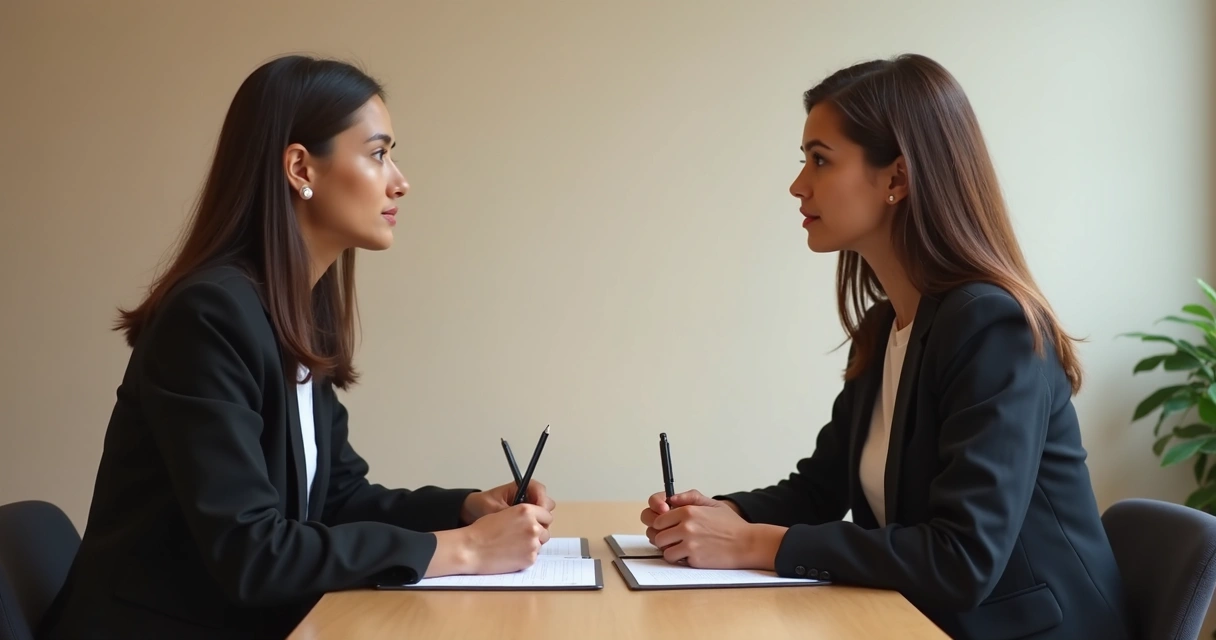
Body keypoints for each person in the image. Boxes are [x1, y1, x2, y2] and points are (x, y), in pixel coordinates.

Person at [39, 55, 556, 640]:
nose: (400, 181)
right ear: (299, 167)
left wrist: (463, 510)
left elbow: (335, 497)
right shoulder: (208, 317)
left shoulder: (293, 310)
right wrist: (459, 551)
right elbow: (252, 552)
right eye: (378, 153)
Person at [640, 54, 1130, 640]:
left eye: (820, 161)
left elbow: (962, 560)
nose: (799, 186)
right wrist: (724, 515)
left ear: (896, 178)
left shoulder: (994, 329)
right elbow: (823, 487)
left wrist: (753, 544)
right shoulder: (886, 327)